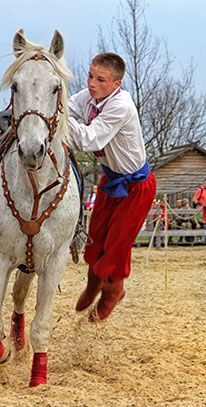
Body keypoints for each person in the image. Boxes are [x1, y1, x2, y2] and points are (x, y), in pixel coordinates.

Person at [65, 52, 157, 321]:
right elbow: (67, 107)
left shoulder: (121, 106)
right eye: (91, 76)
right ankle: (93, 283)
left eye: (100, 79)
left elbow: (89, 139)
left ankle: (112, 291)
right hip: (110, 178)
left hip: (136, 186)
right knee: (95, 238)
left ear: (116, 84)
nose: (92, 83)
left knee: (117, 244)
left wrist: (57, 118)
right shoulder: (89, 97)